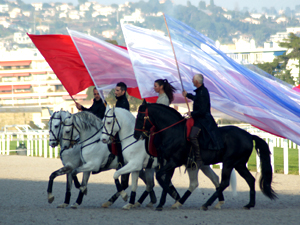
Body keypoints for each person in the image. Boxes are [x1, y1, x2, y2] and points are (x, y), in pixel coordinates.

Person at [182, 74, 223, 168]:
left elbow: (203, 111)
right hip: (199, 118)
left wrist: (192, 113)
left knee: (192, 136)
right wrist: (187, 95)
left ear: (196, 82)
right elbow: (197, 99)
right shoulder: (200, 91)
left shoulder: (203, 92)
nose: (192, 81)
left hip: (203, 121)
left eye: (193, 80)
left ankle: (198, 159)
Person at [153, 79, 176, 166]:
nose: (154, 88)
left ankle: (160, 159)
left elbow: (160, 115)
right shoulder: (160, 97)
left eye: (155, 86)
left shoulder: (164, 98)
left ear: (161, 87)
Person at [114, 82, 130, 169]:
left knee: (118, 142)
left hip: (122, 131)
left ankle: (120, 162)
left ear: (123, 92)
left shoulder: (123, 103)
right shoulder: (119, 101)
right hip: (119, 128)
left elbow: (121, 119)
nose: (115, 92)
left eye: (117, 90)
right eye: (115, 90)